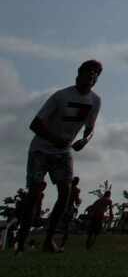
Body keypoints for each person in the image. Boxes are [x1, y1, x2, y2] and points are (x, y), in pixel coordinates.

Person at [15, 60, 102, 254]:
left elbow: (90, 128)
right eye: (89, 72)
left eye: (96, 74)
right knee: (34, 193)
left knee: (65, 193)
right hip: (41, 149)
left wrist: (85, 140)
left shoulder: (95, 101)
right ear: (78, 75)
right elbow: (35, 125)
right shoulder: (61, 96)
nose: (92, 76)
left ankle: (49, 240)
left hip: (63, 152)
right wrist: (55, 139)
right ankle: (21, 241)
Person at [58, 176, 82, 249]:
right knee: (67, 226)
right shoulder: (76, 190)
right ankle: (62, 244)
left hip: (60, 206)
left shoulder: (65, 187)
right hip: (68, 208)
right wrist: (79, 201)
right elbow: (77, 201)